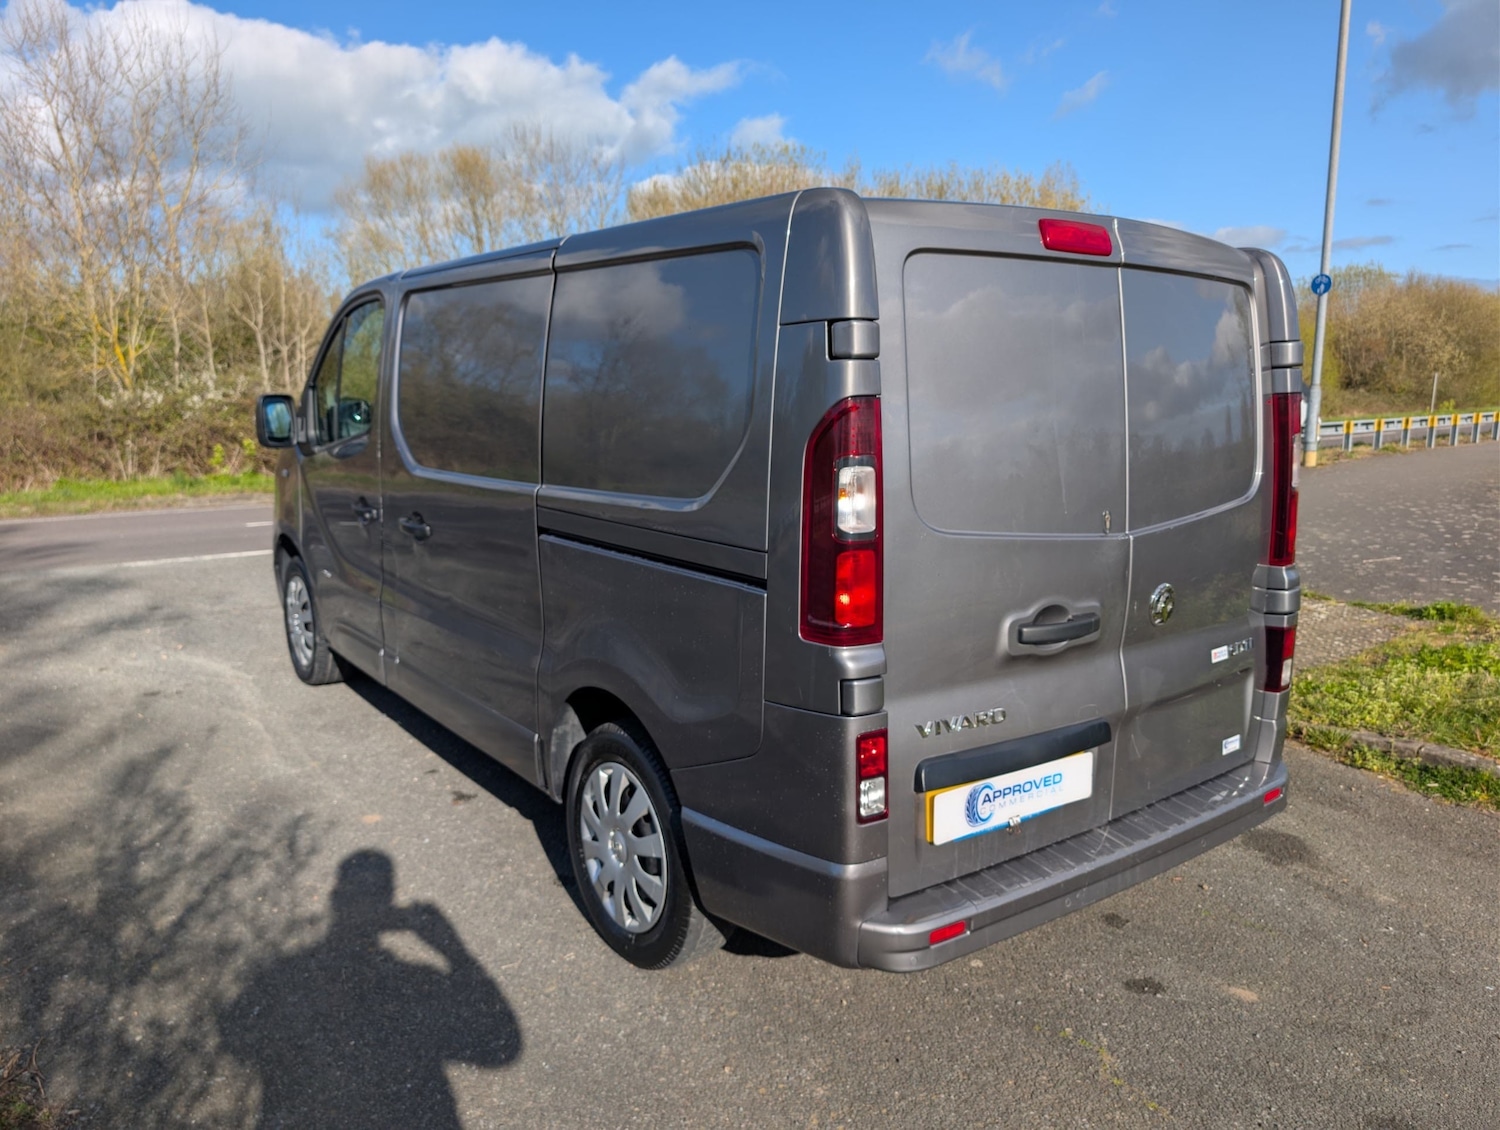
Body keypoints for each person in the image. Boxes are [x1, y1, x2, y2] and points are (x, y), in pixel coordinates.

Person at [221, 850, 520, 1128]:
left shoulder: (283, 973)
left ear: (335, 898)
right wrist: (454, 950)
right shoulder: (420, 981)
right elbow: (501, 1046)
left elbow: (236, 1037)